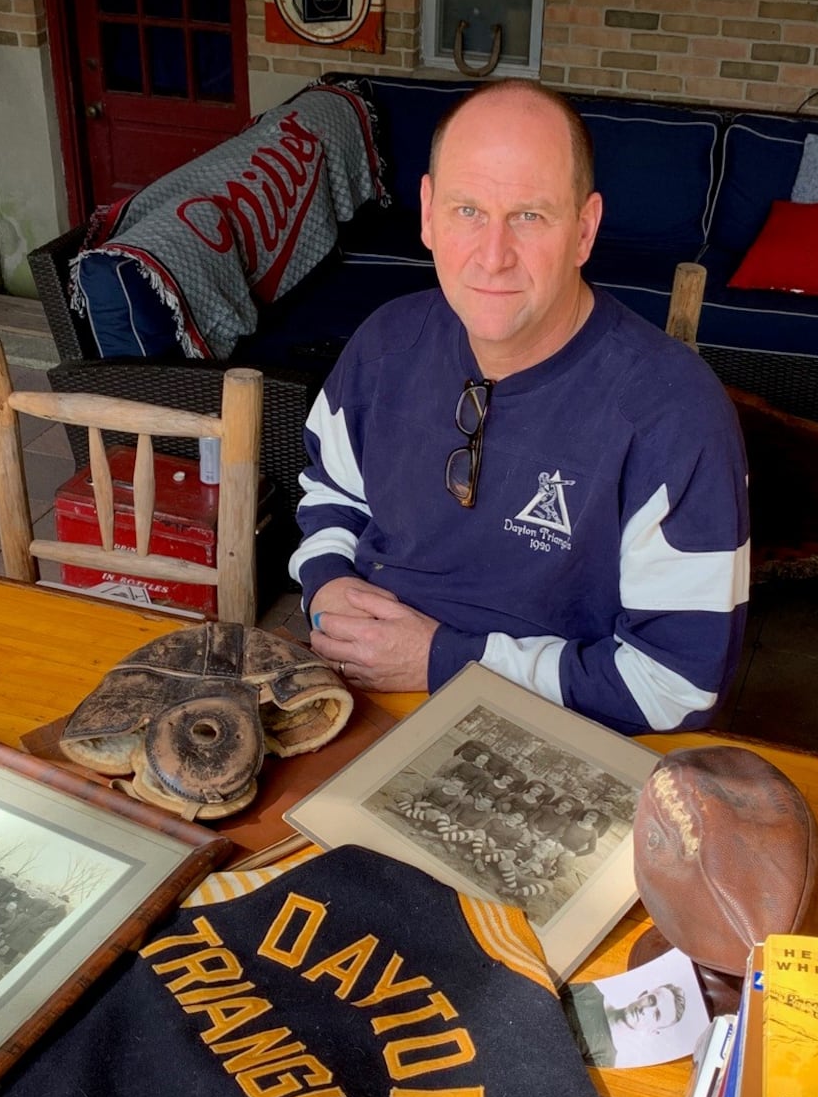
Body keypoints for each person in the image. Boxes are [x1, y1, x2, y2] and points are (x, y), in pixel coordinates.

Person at [291, 80, 749, 734]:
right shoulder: (386, 345)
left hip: (551, 742)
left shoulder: (674, 415)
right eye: (466, 210)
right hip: (355, 699)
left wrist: (444, 661)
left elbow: (678, 684)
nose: (493, 254)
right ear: (426, 211)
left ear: (584, 229)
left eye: (529, 215)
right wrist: (328, 583)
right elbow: (330, 492)